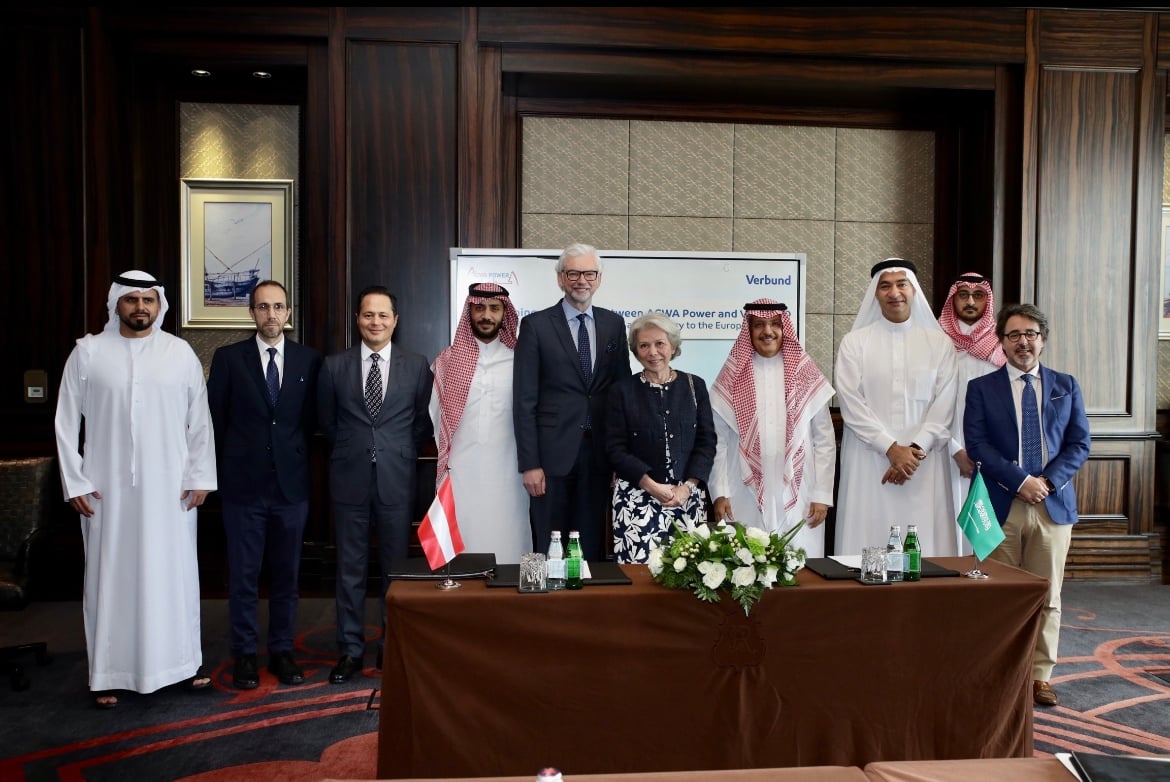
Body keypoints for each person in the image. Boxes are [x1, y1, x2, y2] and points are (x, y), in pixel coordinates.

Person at [54, 270, 217, 709]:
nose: (140, 307)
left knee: (173, 576)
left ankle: (180, 666)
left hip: (170, 491)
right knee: (110, 579)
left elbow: (199, 420)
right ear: (116, 304)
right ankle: (107, 673)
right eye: (132, 299)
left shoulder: (179, 353)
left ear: (159, 305)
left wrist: (200, 477)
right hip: (106, 492)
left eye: (148, 299)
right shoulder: (88, 353)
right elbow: (65, 422)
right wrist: (75, 482)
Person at [964, 303, 1090, 707]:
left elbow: (1079, 444)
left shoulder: (1066, 385)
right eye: (1014, 335)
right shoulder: (981, 389)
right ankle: (999, 673)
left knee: (1047, 595)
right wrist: (1020, 481)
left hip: (1053, 506)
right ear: (1001, 342)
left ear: (1043, 340)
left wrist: (1046, 483)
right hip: (1001, 503)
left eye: (1030, 334)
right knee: (997, 594)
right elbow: (978, 445)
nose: (1023, 342)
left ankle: (1039, 676)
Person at [207, 280, 322, 690]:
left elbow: (313, 420)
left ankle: (282, 651)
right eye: (262, 307)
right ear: (251, 313)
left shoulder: (310, 360)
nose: (270, 314)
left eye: (278, 307)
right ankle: (244, 655)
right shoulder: (228, 359)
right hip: (243, 487)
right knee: (243, 576)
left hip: (291, 488)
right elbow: (215, 421)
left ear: (288, 313)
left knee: (287, 576)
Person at [317, 285, 433, 683]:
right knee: (349, 569)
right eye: (368, 314)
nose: (376, 322)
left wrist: (393, 451)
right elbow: (327, 422)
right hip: (349, 479)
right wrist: (357, 450)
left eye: (383, 315)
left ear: (395, 321)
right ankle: (350, 650)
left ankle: (391, 646)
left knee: (394, 569)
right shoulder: (334, 366)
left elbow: (421, 423)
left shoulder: (416, 366)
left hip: (396, 479)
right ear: (357, 319)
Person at [834, 258, 958, 557]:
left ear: (913, 290)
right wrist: (891, 449)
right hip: (869, 460)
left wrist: (913, 452)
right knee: (867, 541)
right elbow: (851, 403)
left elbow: (944, 403)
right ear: (875, 294)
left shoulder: (940, 343)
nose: (894, 292)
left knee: (927, 547)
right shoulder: (854, 343)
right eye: (885, 286)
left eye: (902, 284)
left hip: (924, 463)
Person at [513, 242, 628, 562]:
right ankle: (547, 595)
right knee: (548, 543)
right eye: (573, 273)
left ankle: (584, 594)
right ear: (560, 278)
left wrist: (620, 458)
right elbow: (524, 401)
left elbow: (621, 396)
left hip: (599, 456)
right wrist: (530, 464)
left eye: (589, 273)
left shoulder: (613, 325)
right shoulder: (535, 326)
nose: (582, 281)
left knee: (589, 545)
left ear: (599, 279)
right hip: (550, 458)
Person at [709, 299, 836, 556]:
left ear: (784, 328)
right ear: (749, 330)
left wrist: (822, 493)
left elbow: (824, 440)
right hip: (742, 489)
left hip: (801, 490)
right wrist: (719, 492)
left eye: (775, 324)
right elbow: (717, 442)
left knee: (800, 562)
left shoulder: (805, 374)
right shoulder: (731, 378)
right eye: (759, 325)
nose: (768, 331)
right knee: (746, 563)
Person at [429, 282, 529, 562]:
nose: (486, 315)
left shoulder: (520, 362)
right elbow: (435, 417)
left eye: (495, 308)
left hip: (510, 473)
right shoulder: (446, 361)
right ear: (469, 312)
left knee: (509, 540)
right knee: (463, 538)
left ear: (504, 314)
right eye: (479, 308)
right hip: (461, 471)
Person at [605, 312, 716, 562]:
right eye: (644, 345)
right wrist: (651, 486)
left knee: (688, 573)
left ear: (673, 347)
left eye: (660, 344)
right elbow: (615, 448)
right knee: (640, 576)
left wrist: (688, 487)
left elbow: (706, 442)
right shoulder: (621, 391)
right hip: (636, 498)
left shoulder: (695, 386)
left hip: (686, 498)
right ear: (636, 351)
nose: (652, 352)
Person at [938, 272, 1006, 553]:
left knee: (984, 525)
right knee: (945, 524)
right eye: (963, 295)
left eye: (978, 295)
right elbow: (924, 403)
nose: (970, 302)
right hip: (941, 448)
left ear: (987, 301)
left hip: (991, 452)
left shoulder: (1000, 345)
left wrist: (984, 453)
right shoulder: (936, 343)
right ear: (952, 300)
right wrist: (955, 449)